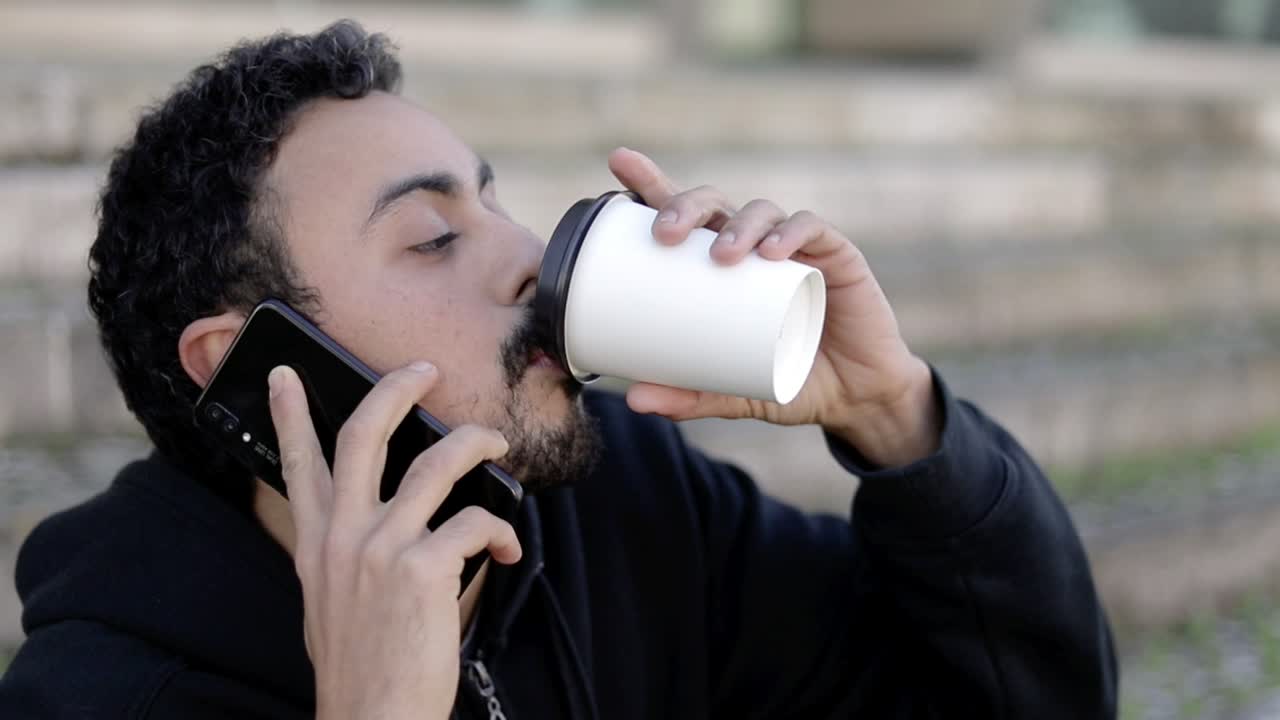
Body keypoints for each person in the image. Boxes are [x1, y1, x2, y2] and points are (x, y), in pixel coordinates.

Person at [0, 20, 1117, 719]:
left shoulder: (626, 502)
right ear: (255, 368)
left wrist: (898, 417)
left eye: (491, 202)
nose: (532, 256)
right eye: (433, 238)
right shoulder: (105, 694)